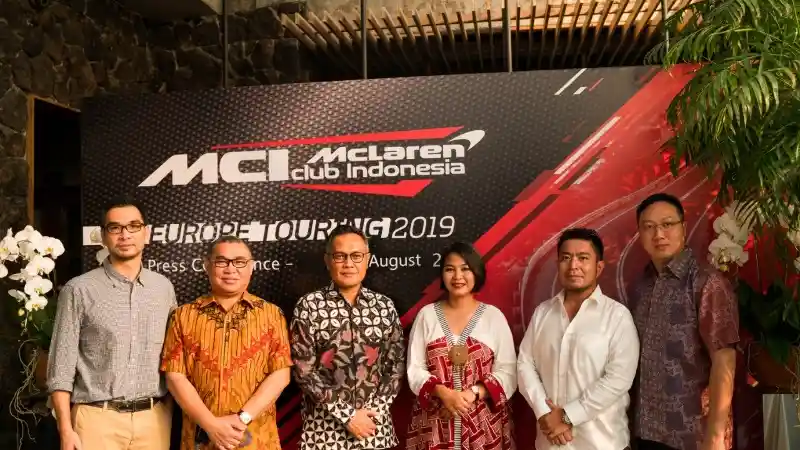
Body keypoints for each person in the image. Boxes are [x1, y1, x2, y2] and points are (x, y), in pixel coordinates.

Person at [47, 196, 176, 450]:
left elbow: (173, 358)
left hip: (153, 421)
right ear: (104, 237)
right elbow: (60, 367)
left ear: (147, 233)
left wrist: (166, 414)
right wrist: (65, 429)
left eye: (133, 226)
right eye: (115, 228)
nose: (125, 235)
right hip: (96, 420)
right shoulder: (78, 290)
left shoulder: (163, 288)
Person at [629, 193, 739, 450]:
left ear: (684, 227)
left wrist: (715, 436)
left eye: (667, 224)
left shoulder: (706, 282)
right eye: (649, 227)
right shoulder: (641, 286)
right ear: (640, 234)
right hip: (648, 432)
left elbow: (724, 358)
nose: (659, 234)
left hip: (695, 436)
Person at [161, 236, 292, 450]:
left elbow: (280, 374)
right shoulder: (183, 316)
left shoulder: (271, 315)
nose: (231, 269)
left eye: (239, 262)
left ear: (251, 267)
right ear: (207, 265)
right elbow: (175, 377)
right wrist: (211, 425)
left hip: (256, 440)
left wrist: (242, 419)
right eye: (222, 261)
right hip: (200, 439)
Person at [517, 228, 639, 450]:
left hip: (602, 444)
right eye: (566, 258)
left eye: (583, 258)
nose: (573, 266)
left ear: (598, 267)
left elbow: (618, 379)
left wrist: (567, 416)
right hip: (550, 443)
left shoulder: (617, 317)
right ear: (558, 265)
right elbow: (525, 364)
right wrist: (544, 413)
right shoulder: (543, 313)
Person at [290, 224, 405, 450]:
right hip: (323, 434)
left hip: (374, 430)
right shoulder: (309, 306)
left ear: (368, 259)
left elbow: (396, 366)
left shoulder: (384, 306)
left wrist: (373, 413)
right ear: (327, 260)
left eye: (356, 256)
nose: (348, 263)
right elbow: (303, 370)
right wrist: (348, 416)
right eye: (340, 256)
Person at [406, 242, 517, 450]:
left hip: (483, 426)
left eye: (465, 269)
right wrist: (443, 393)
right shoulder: (427, 315)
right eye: (450, 269)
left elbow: (508, 371)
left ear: (477, 273)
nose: (457, 276)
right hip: (435, 425)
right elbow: (415, 368)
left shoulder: (493, 317)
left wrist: (473, 393)